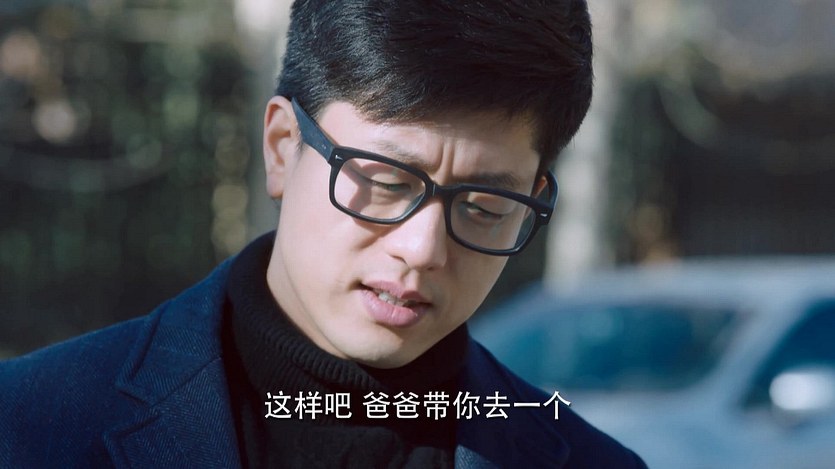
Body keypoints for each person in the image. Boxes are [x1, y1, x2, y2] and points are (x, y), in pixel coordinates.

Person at [0, 0, 646, 467]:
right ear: (283, 147)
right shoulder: (31, 425)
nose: (422, 249)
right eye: (386, 181)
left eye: (484, 206)